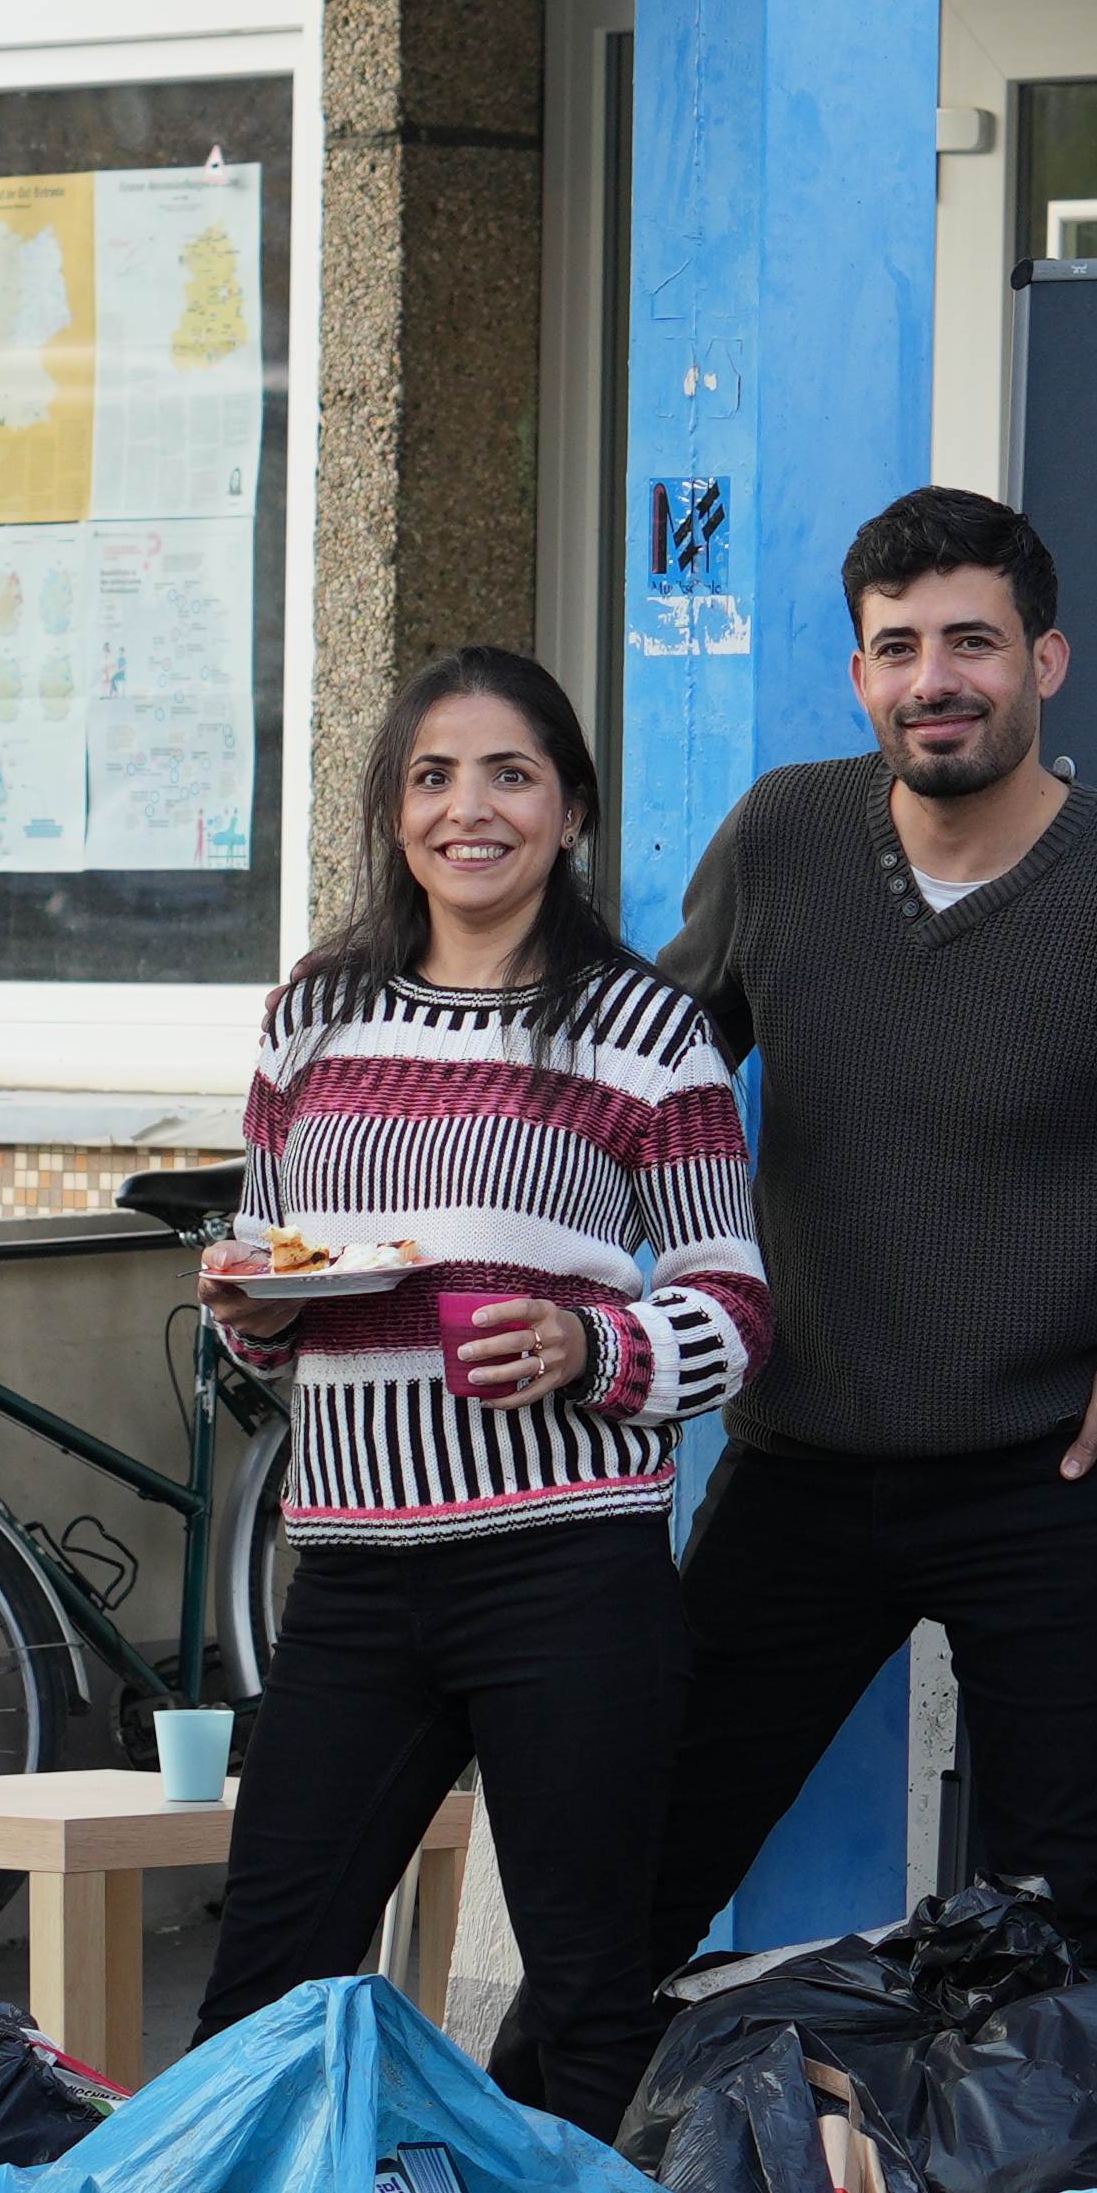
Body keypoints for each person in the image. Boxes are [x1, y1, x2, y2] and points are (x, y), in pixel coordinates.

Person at [497, 488, 1097, 2125]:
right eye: (897, 648)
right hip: (799, 1464)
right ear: (860, 673)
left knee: (1071, 1939)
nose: (932, 677)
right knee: (630, 1878)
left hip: (1048, 1478)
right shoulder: (786, 839)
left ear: (1045, 659)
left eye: (968, 640)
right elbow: (633, 1080)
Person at [190, 650, 767, 2115]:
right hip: (353, 1566)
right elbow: (273, 1281)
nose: (470, 809)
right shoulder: (307, 1019)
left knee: (584, 1989)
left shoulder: (647, 1034)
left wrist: (600, 1348)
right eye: (434, 776)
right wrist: (252, 1309)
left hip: (567, 1568)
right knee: (267, 1971)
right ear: (394, 809)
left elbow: (736, 1302)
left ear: (570, 809)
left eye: (510, 774)